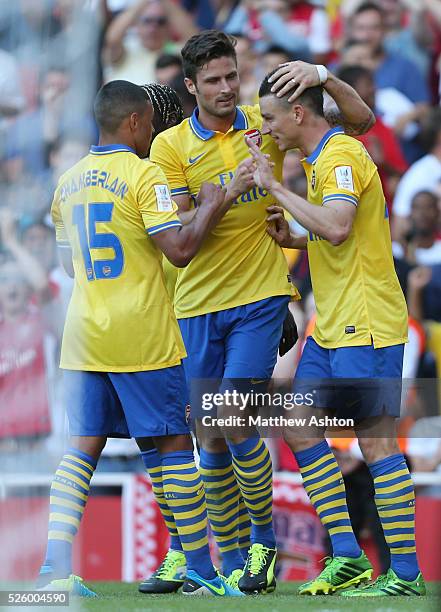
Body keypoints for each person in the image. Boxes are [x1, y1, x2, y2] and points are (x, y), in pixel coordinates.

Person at [149, 30, 374, 594]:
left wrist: (323, 75)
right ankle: (223, 561)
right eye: (214, 81)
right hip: (197, 303)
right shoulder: (170, 148)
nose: (227, 89)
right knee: (212, 435)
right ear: (191, 86)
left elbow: (357, 124)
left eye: (232, 77)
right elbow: (184, 237)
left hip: (260, 300)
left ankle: (263, 547)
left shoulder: (266, 121)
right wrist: (229, 190)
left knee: (233, 418)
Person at [36, 79, 243, 598]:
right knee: (173, 444)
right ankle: (200, 568)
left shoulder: (68, 181)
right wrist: (214, 203)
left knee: (81, 451)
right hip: (141, 334)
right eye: (149, 123)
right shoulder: (144, 173)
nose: (153, 130)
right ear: (132, 122)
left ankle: (53, 569)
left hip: (83, 335)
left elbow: (67, 263)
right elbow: (178, 250)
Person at [245, 64, 425, 597]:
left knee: (375, 445)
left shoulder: (341, 156)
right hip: (333, 325)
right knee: (297, 424)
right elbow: (336, 231)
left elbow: (342, 227)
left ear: (299, 113)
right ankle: (345, 555)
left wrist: (275, 188)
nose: (270, 128)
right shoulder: (324, 155)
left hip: (367, 324)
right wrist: (297, 237)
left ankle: (407, 574)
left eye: (274, 118)